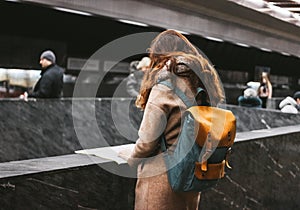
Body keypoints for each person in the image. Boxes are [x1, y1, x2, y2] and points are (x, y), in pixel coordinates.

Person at [119, 29, 224, 210]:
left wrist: (131, 158)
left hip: (162, 178)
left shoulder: (166, 83)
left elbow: (148, 140)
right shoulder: (202, 80)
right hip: (190, 172)